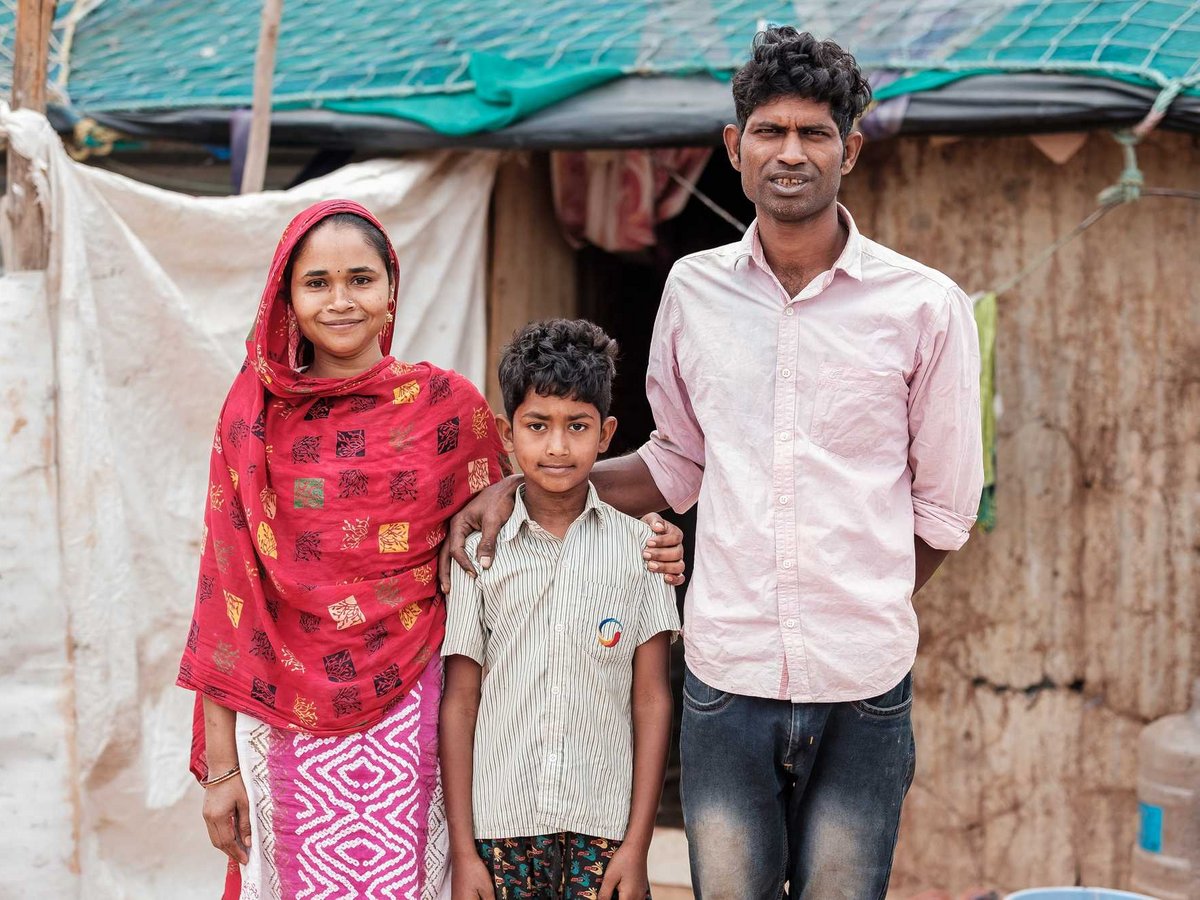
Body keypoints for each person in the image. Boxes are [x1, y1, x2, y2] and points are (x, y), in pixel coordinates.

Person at [447, 28, 983, 899]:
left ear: (850, 149)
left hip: (864, 685)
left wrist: (863, 603)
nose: (790, 152)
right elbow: (676, 464)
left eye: (814, 133)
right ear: (735, 147)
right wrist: (521, 485)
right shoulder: (694, 291)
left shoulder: (924, 307)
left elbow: (946, 511)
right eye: (770, 130)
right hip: (725, 680)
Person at [175, 201, 685, 899]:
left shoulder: (445, 408)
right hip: (282, 723)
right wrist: (222, 770)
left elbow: (535, 496)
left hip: (414, 714)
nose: (341, 300)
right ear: (287, 298)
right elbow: (225, 594)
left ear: (391, 289)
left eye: (360, 279)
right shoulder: (252, 418)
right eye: (317, 283)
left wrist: (647, 539)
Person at [440, 319, 680, 900]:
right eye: (537, 425)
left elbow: (651, 699)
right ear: (507, 433)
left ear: (606, 433)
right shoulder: (480, 556)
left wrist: (637, 846)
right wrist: (464, 852)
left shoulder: (641, 550)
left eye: (577, 426)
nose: (556, 447)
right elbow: (461, 702)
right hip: (501, 828)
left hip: (604, 829)